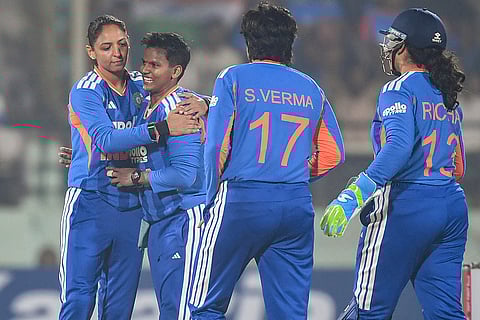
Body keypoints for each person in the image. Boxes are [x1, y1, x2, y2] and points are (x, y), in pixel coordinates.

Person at [188, 3, 345, 319]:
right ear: (290, 44)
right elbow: (333, 154)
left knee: (205, 307)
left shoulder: (233, 77)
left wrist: (208, 198)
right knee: (289, 314)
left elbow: (216, 146)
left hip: (240, 202)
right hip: (295, 205)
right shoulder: (311, 88)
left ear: (247, 42)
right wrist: (290, 175)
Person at [320, 8, 467, 319]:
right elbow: (459, 167)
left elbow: (398, 148)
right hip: (452, 205)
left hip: (405, 206)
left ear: (404, 46)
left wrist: (354, 195)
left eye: (392, 40)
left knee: (368, 311)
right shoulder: (447, 93)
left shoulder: (398, 89)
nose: (386, 46)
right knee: (446, 314)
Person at [59, 15, 205, 320]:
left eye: (123, 44)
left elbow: (180, 94)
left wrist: (206, 103)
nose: (117, 53)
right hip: (90, 201)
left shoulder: (142, 83)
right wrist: (162, 129)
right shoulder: (86, 90)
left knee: (118, 306)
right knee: (79, 299)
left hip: (131, 205)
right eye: (106, 47)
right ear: (91, 52)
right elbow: (107, 139)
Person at [106, 32, 207, 320]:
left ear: (175, 71)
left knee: (180, 310)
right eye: (144, 63)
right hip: (162, 221)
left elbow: (186, 175)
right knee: (171, 308)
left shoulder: (181, 110)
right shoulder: (148, 106)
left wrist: (137, 178)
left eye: (155, 65)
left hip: (183, 219)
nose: (146, 71)